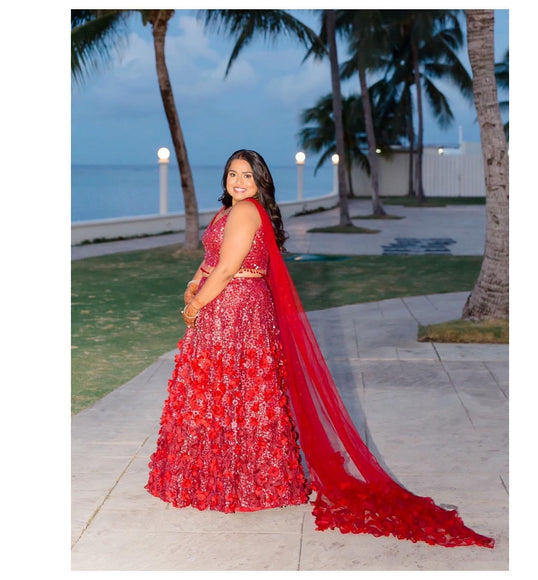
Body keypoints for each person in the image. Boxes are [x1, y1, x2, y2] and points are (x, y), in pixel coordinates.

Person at [146, 149, 494, 548]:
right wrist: (192, 285)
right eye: (232, 174)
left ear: (260, 181)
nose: (238, 181)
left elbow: (227, 269)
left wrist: (195, 305)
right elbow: (210, 262)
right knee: (222, 391)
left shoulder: (246, 212)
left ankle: (246, 482)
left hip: (238, 307)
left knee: (236, 390)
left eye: (246, 175)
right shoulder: (226, 212)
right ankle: (219, 475)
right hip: (220, 303)